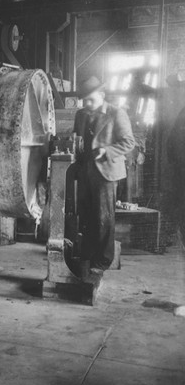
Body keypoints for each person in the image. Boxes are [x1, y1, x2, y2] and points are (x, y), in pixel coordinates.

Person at [73, 76, 136, 275]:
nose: (87, 104)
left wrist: (106, 151)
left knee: (103, 218)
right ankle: (88, 255)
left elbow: (128, 143)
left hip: (106, 173)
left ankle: (102, 261)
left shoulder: (116, 113)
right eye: (85, 101)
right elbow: (78, 140)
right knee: (86, 215)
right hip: (86, 172)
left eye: (91, 100)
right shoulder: (81, 114)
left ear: (101, 95)